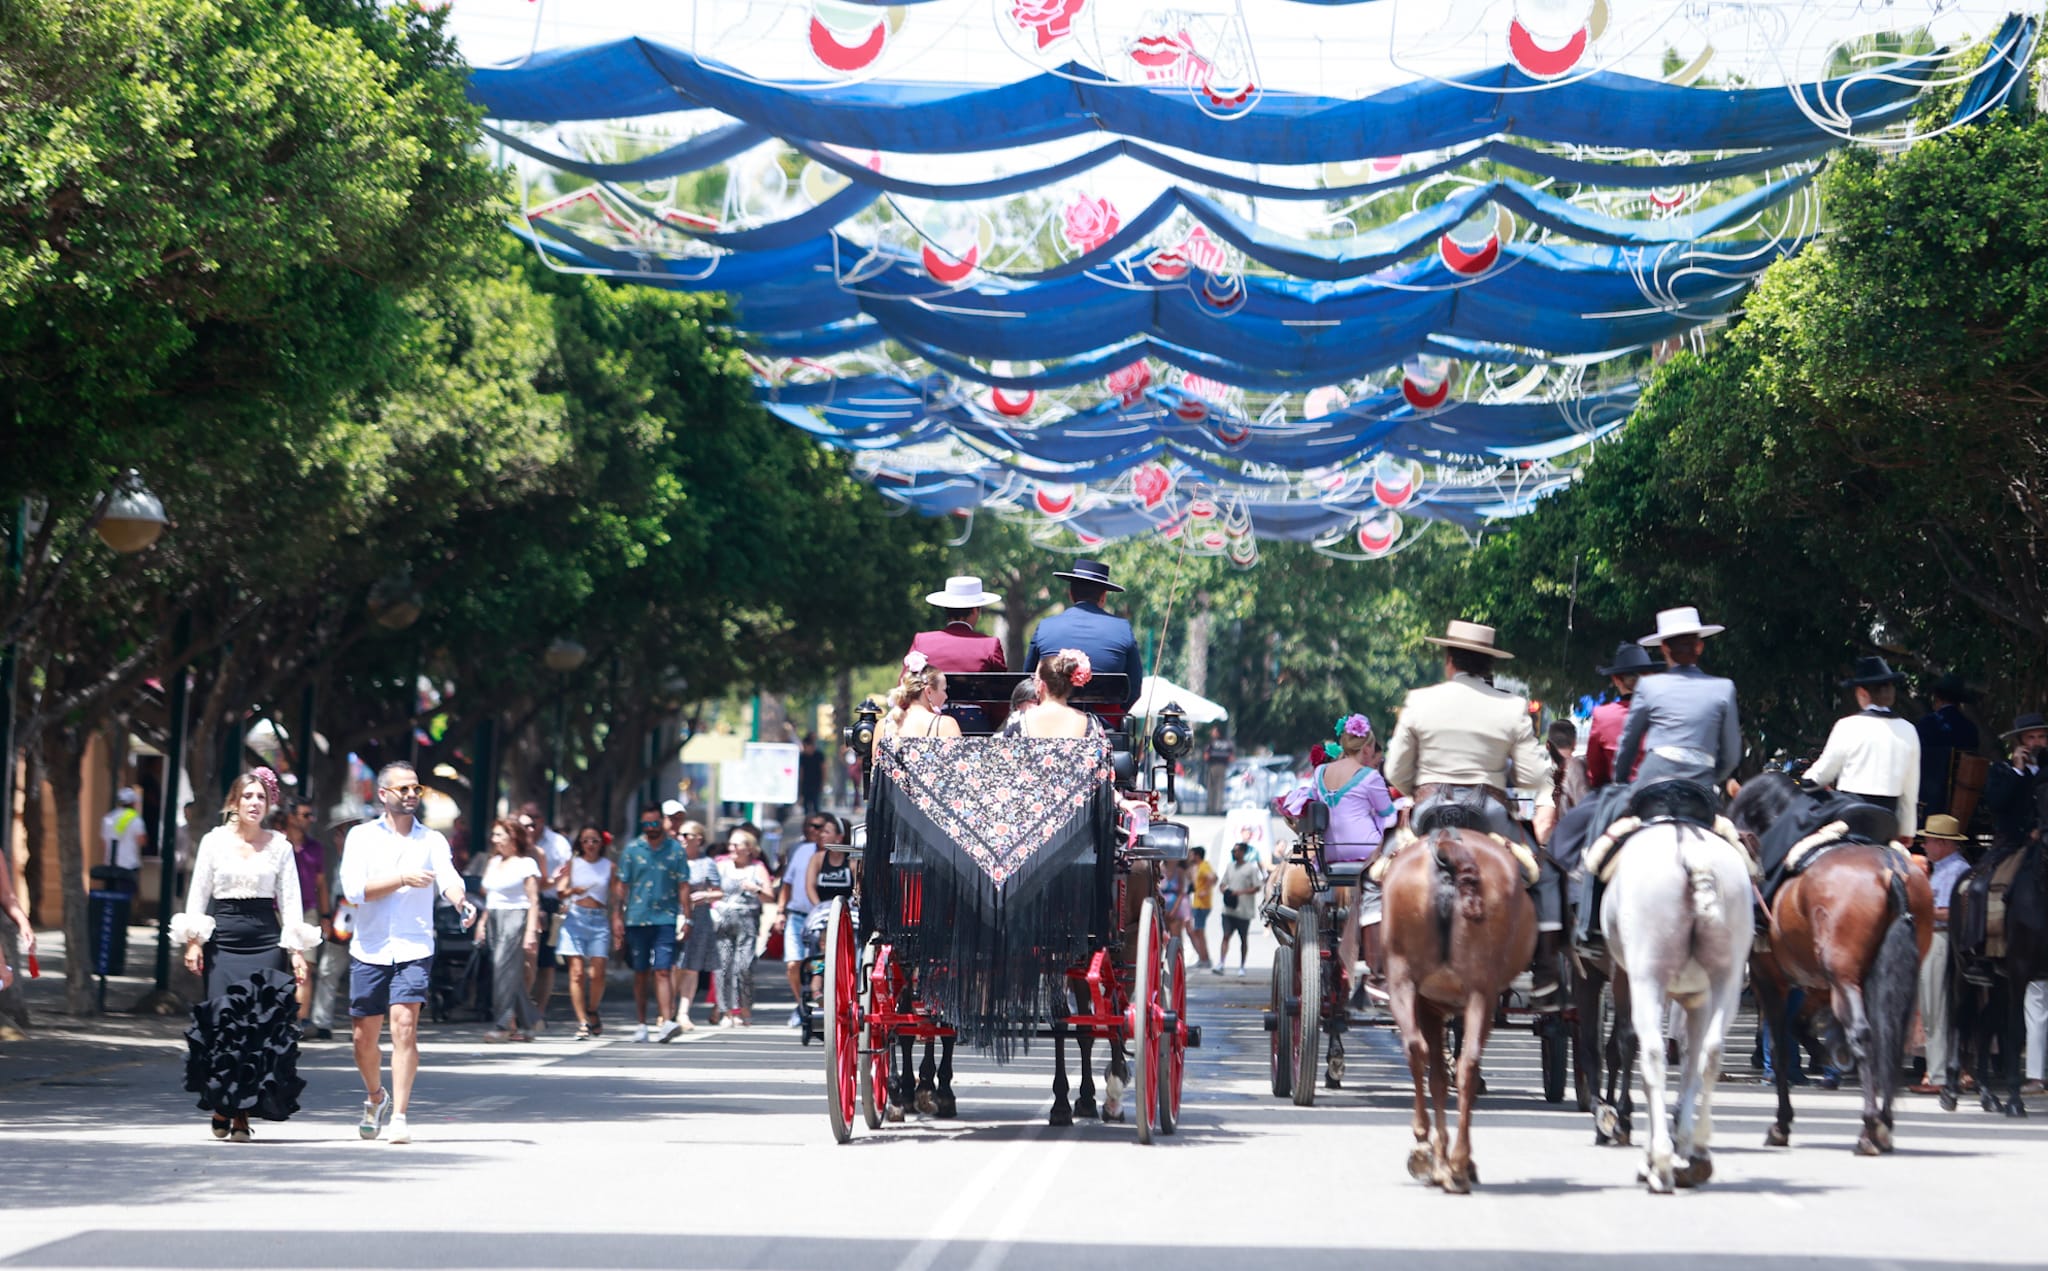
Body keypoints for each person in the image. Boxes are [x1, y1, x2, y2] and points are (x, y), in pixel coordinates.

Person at [1385, 619, 1562, 1000]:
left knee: (1378, 873)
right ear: (1489, 666)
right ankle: (1546, 971)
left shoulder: (1420, 700)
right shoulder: (1513, 707)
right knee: (1544, 875)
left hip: (1429, 810)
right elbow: (1532, 775)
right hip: (1490, 815)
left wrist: (1412, 788)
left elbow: (1395, 770)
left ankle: (1380, 965)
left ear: (1450, 661)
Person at [1568, 608, 1741, 949]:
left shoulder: (1649, 688)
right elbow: (1732, 754)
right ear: (1700, 647)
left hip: (1652, 784)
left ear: (1663, 650)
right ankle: (1752, 924)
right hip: (1701, 789)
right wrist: (1711, 777)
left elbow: (1629, 746)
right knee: (1740, 850)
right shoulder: (1724, 688)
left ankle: (1590, 925)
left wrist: (1620, 781)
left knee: (1601, 840)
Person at [173, 767, 318, 1141]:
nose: (255, 803)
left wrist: (297, 952)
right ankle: (223, 1103)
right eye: (248, 796)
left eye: (262, 798)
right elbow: (198, 892)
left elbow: (290, 901)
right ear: (234, 802)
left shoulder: (280, 846)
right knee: (224, 1025)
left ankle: (242, 1113)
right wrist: (194, 939)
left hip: (266, 941)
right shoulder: (213, 841)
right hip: (224, 940)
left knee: (259, 1027)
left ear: (270, 804)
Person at [341, 763, 473, 1144]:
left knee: (403, 1027)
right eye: (403, 789)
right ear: (383, 794)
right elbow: (353, 890)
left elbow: (448, 877)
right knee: (363, 1038)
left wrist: (462, 902)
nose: (411, 794)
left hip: (415, 945)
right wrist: (402, 878)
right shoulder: (361, 838)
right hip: (370, 946)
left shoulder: (431, 840)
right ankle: (375, 1097)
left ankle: (399, 1115)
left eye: (416, 788)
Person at [1802, 656, 1921, 841]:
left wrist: (1806, 781)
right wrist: (1907, 831)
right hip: (1887, 823)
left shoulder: (1847, 726)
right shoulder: (1909, 730)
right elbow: (1910, 792)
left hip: (1850, 818)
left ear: (1862, 692)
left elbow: (1822, 775)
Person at [1024, 558, 1144, 712]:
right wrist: (1114, 717)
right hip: (1106, 726)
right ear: (1103, 596)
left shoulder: (1045, 626)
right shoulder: (1122, 628)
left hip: (1050, 721)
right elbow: (1133, 689)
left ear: (1070, 594)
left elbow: (1028, 679)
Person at [613, 811, 689, 1043]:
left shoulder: (675, 850)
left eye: (655, 822)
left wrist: (688, 917)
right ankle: (641, 1023)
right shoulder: (632, 850)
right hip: (637, 918)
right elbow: (621, 885)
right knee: (640, 972)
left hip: (666, 918)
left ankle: (667, 1021)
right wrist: (616, 916)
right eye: (646, 823)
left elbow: (683, 884)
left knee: (664, 969)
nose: (651, 827)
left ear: (662, 823)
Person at [1911, 814, 1971, 1094]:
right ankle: (1941, 1071)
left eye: (1929, 841)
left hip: (1940, 939)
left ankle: (1938, 1076)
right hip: (1935, 939)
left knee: (1936, 1008)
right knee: (1935, 1007)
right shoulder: (1949, 869)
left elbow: (1949, 914)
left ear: (1943, 843)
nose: (1924, 846)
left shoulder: (1953, 870)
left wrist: (1919, 910)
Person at [475, 818, 541, 1043]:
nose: (495, 840)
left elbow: (533, 899)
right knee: (509, 973)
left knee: (501, 968)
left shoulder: (526, 864)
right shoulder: (493, 862)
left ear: (513, 837)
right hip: (494, 916)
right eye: (494, 835)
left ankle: (502, 1024)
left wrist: (531, 931)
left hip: (516, 916)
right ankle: (529, 1023)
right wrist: (482, 923)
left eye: (499, 835)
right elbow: (489, 896)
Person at [712, 829, 777, 1027]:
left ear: (749, 849)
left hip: (748, 920)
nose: (732, 848)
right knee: (722, 966)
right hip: (723, 920)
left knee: (744, 966)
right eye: (730, 844)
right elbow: (711, 890)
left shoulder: (757, 868)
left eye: (737, 845)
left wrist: (755, 889)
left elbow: (769, 896)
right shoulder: (721, 865)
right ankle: (725, 1011)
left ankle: (744, 1007)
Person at [554, 826, 614, 1040]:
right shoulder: (573, 864)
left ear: (602, 843)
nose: (590, 844)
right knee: (577, 973)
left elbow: (615, 896)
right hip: (576, 917)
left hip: (599, 918)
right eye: (586, 840)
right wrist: (572, 891)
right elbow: (559, 891)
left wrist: (618, 923)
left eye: (595, 840)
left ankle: (592, 1008)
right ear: (580, 843)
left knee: (597, 972)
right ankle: (582, 1021)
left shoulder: (609, 866)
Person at [517, 801, 572, 1030]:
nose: (531, 825)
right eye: (526, 819)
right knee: (522, 960)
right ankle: (519, 1009)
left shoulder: (556, 844)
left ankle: (538, 1011)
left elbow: (564, 874)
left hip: (548, 903)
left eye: (535, 819)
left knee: (545, 961)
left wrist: (563, 901)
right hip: (517, 903)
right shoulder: (514, 844)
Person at [777, 815, 832, 1028]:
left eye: (820, 827)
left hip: (824, 920)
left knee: (818, 964)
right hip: (798, 915)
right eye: (809, 826)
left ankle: (821, 1003)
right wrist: (780, 911)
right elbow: (787, 882)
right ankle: (800, 1004)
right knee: (793, 964)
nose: (814, 830)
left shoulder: (837, 854)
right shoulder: (801, 851)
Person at [1583, 642, 1660, 790]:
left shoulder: (1602, 715)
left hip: (1622, 796)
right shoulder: (1666, 711)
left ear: (1616, 679)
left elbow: (1596, 772)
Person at [668, 821, 720, 1028]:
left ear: (698, 839)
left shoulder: (707, 863)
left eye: (686, 835)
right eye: (679, 835)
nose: (681, 838)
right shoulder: (672, 861)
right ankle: (668, 1006)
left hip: (699, 917)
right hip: (675, 915)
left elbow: (719, 891)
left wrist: (706, 895)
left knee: (692, 967)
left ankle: (683, 1012)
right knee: (674, 965)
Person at [278, 799, 325, 1021]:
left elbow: (321, 883)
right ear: (291, 817)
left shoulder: (315, 848)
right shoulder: (276, 844)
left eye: (311, 815)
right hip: (276, 910)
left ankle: (300, 1021)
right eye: (305, 815)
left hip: (307, 911)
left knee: (306, 968)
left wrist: (325, 915)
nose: (310, 820)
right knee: (277, 966)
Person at [1917, 672, 1982, 821]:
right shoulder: (1970, 728)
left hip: (1928, 796)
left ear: (1937, 699)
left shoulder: (1927, 724)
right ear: (1959, 702)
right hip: (1961, 795)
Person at [909, 575, 1008, 673]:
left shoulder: (921, 641)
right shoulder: (990, 645)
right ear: (974, 611)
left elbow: (905, 683)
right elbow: (1003, 686)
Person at [1216, 842, 1266, 976]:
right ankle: (1221, 963)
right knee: (1226, 935)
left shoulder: (1251, 868)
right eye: (1233, 851)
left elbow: (1257, 887)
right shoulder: (1230, 866)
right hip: (1228, 910)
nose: (1234, 853)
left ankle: (1242, 966)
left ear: (1243, 852)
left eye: (1236, 851)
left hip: (1243, 911)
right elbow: (1222, 883)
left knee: (1243, 938)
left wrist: (1240, 892)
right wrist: (1224, 891)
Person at [888, 656, 964, 740]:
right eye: (944, 690)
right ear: (929, 692)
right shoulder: (945, 725)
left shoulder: (884, 726)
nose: (946, 696)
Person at [99, 785, 148, 893]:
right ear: (133, 803)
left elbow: (103, 844)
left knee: (110, 899)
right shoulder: (135, 819)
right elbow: (142, 841)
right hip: (128, 866)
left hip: (110, 866)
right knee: (126, 900)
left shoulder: (108, 818)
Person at [1186, 845, 1216, 969]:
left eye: (1192, 854)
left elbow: (1213, 878)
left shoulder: (1204, 866)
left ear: (1197, 856)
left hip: (1202, 905)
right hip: (1198, 904)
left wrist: (1205, 890)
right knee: (1197, 932)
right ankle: (1203, 958)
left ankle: (1205, 959)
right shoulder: (1198, 867)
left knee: (1199, 932)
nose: (1190, 857)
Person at [1203, 727, 1234, 814]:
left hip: (1213, 766)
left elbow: (1206, 756)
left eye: (1213, 731)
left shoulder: (1211, 743)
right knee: (1220, 788)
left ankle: (1210, 808)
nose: (1212, 733)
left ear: (1217, 733)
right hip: (1223, 766)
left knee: (1211, 788)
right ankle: (1218, 809)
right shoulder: (1227, 743)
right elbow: (1231, 757)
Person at [798, 735, 826, 818]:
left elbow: (823, 769)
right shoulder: (802, 757)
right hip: (806, 784)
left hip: (816, 783)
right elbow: (801, 771)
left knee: (816, 805)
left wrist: (823, 783)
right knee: (806, 805)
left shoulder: (819, 755)